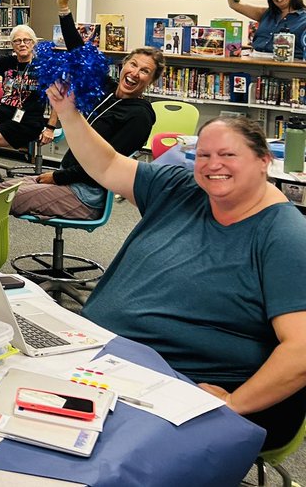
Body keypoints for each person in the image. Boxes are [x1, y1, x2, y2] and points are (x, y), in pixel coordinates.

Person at [49, 85, 306, 451]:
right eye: (203, 155)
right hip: (107, 361)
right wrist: (68, 112)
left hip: (186, 385)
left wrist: (235, 403)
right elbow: (106, 164)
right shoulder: (180, 188)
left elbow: (301, 349)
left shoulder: (283, 235)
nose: (212, 165)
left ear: (263, 160)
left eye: (227, 154)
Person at [3, 0, 161, 220]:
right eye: (133, 64)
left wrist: (56, 178)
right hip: (68, 177)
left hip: (86, 192)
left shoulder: (139, 116)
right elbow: (80, 54)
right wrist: (64, 7)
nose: (135, 73)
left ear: (152, 81)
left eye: (145, 71)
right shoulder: (107, 89)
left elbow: (106, 166)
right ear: (124, 65)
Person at [224, 0, 306, 60]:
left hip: (289, 66)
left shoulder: (303, 18)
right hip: (256, 61)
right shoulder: (266, 13)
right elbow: (235, 4)